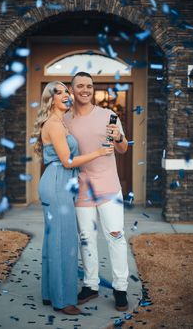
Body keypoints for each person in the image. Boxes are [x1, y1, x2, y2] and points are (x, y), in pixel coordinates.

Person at [32, 81, 114, 315]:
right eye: (61, 93)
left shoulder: (60, 123)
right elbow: (67, 161)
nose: (68, 95)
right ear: (51, 99)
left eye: (68, 91)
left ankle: (50, 293)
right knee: (63, 242)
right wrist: (98, 152)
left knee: (54, 240)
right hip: (57, 182)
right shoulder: (55, 125)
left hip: (59, 182)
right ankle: (63, 300)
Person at [64, 72, 129, 311]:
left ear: (92, 89)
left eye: (89, 86)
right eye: (80, 86)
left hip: (109, 186)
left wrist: (120, 137)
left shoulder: (108, 116)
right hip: (82, 187)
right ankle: (90, 284)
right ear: (73, 90)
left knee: (115, 236)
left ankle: (120, 288)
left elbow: (122, 149)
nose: (85, 89)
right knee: (86, 239)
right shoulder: (65, 120)